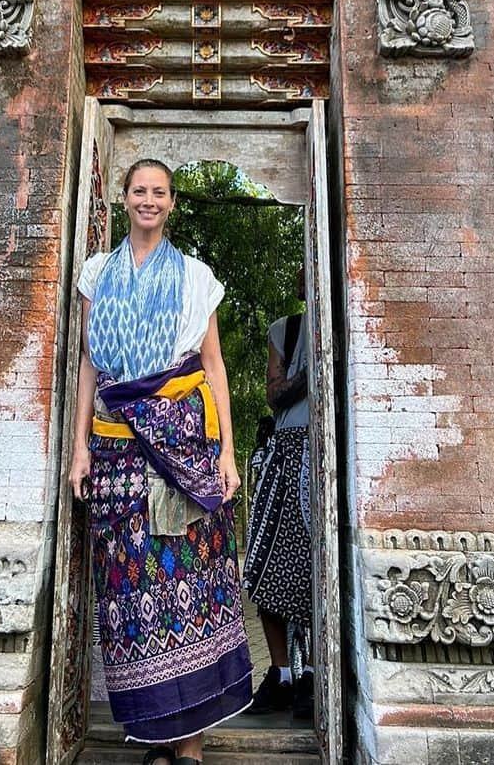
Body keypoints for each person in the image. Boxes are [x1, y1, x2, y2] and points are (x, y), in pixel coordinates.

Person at [69, 158, 253, 765]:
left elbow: (213, 365)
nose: (149, 200)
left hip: (183, 449)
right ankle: (154, 735)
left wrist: (227, 451)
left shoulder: (195, 277)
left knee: (189, 585)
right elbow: (91, 367)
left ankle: (192, 746)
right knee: (131, 589)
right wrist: (78, 450)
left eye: (160, 193)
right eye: (139, 191)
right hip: (116, 451)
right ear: (123, 199)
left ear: (172, 204)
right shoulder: (99, 275)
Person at [242, 309, 314, 721]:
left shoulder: (342, 322)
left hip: (326, 452)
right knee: (265, 567)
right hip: (285, 453)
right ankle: (282, 673)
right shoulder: (284, 332)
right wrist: (312, 371)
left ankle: (314, 674)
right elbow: (274, 395)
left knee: (316, 572)